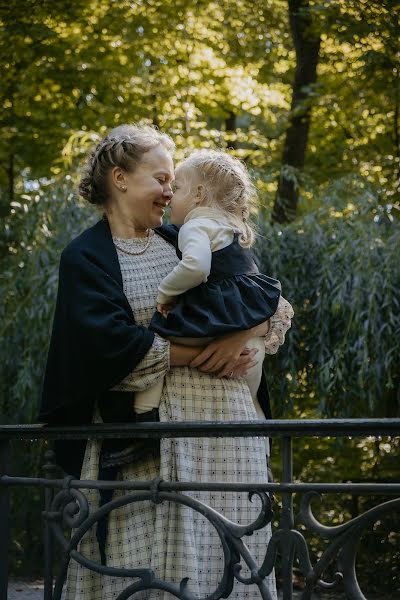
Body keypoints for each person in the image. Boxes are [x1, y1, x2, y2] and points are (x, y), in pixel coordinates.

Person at [39, 123, 293, 599]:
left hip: (228, 439)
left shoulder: (188, 238)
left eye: (172, 182)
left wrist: (238, 334)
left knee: (231, 572)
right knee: (149, 578)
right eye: (161, 179)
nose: (169, 192)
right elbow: (108, 350)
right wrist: (200, 352)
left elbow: (270, 303)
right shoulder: (86, 257)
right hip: (145, 449)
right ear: (119, 178)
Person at [133, 149, 292, 423]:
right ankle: (255, 413)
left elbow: (195, 267)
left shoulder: (194, 227)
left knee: (159, 336)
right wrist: (246, 328)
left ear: (198, 195)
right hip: (245, 311)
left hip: (216, 315)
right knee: (251, 367)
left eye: (177, 187)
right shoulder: (232, 228)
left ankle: (142, 412)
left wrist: (166, 293)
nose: (170, 196)